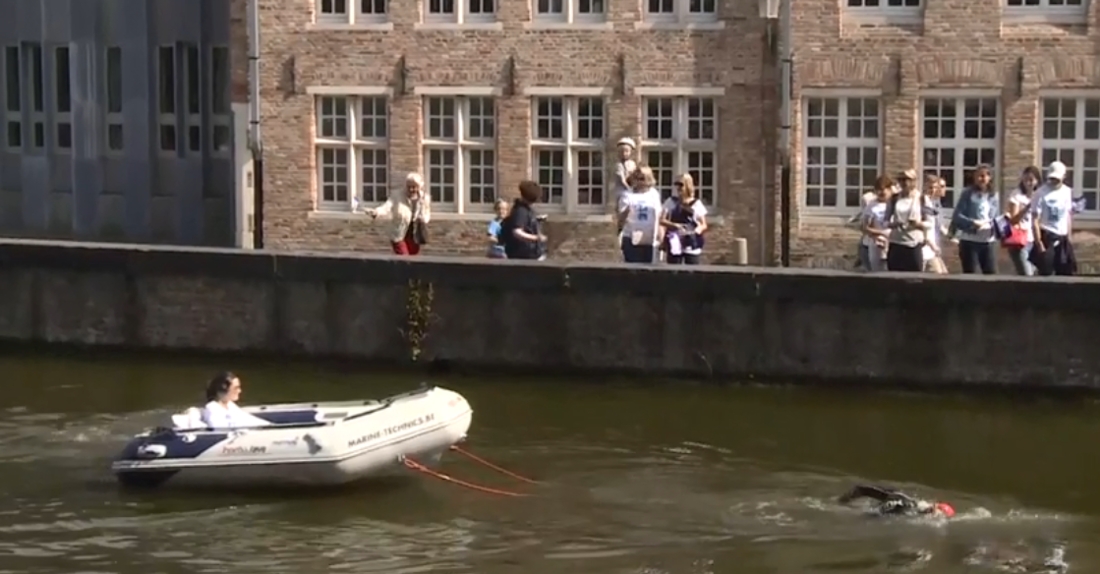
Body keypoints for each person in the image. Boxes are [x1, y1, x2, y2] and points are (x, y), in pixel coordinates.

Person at [365, 172, 431, 256]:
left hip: (414, 235)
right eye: (409, 187)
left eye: (414, 187)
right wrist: (377, 212)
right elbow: (387, 206)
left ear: (419, 187)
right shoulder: (397, 195)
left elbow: (427, 215)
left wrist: (422, 218)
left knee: (413, 259)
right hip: (399, 233)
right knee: (404, 258)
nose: (411, 189)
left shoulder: (424, 198)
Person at [618, 165, 664, 264]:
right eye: (637, 178)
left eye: (642, 179)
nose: (639, 182)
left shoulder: (654, 194)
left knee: (648, 270)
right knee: (633, 269)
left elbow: (658, 216)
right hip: (631, 237)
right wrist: (626, 212)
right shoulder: (627, 195)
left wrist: (661, 235)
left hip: (649, 238)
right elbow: (620, 220)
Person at [659, 173, 708, 264]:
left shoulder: (697, 204)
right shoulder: (671, 201)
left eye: (681, 185)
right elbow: (661, 220)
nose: (679, 188)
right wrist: (674, 225)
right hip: (675, 239)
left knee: (692, 269)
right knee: (674, 269)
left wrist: (696, 231)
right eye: (677, 185)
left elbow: (703, 224)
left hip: (691, 240)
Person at [200, 372, 271, 429]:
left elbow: (249, 419)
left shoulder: (230, 405)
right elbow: (218, 430)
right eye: (236, 388)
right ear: (223, 389)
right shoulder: (212, 408)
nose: (239, 391)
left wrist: (270, 426)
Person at [838, 484, 956, 518]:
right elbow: (861, 490)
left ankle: (840, 504)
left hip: (894, 504)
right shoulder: (909, 504)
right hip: (895, 499)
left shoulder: (914, 510)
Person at [501, 180, 547, 260]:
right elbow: (517, 232)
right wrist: (536, 238)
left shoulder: (526, 209)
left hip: (529, 254)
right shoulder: (521, 211)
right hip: (523, 256)